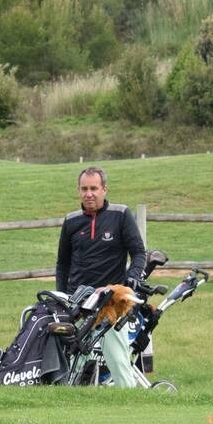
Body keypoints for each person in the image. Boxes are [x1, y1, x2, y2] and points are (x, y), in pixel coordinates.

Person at [55, 166, 147, 387]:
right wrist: (62, 298)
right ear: (78, 191)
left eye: (94, 188)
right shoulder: (71, 221)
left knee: (118, 360)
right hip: (78, 303)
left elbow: (138, 252)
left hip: (110, 303)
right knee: (74, 362)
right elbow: (62, 264)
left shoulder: (121, 215)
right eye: (84, 189)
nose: (89, 194)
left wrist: (131, 278)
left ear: (104, 189)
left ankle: (131, 404)